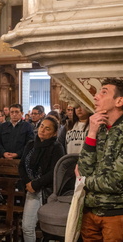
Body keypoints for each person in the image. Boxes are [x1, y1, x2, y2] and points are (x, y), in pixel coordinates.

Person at [75, 78, 123, 241]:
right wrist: (92, 133)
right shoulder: (99, 128)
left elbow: (116, 182)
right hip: (90, 211)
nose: (95, 97)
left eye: (104, 92)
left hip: (116, 214)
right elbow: (83, 169)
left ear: (119, 101)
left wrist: (82, 181)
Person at [18, 117, 65, 242]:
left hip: (47, 191)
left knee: (49, 230)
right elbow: (22, 166)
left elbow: (54, 171)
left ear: (54, 133)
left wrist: (35, 184)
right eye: (41, 126)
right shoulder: (30, 144)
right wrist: (28, 183)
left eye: (47, 128)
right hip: (31, 190)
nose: (42, 130)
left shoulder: (56, 147)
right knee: (27, 227)